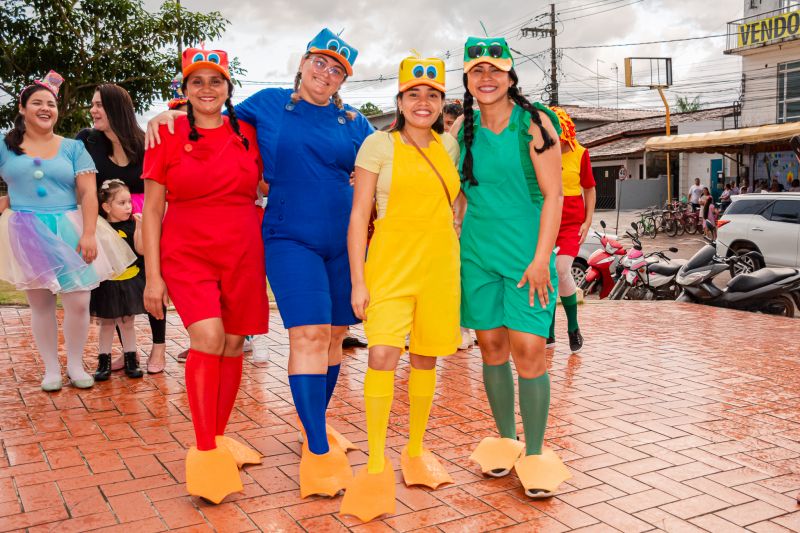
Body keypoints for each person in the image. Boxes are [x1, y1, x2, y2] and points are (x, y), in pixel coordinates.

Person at [142, 47, 269, 504]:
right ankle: (205, 449)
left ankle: (217, 438)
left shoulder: (248, 132)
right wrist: (152, 278)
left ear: (229, 88)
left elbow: (267, 183)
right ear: (184, 89)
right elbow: (151, 210)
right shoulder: (167, 132)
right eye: (197, 81)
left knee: (233, 343)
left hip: (243, 250)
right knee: (208, 338)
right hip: (187, 251)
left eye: (216, 81)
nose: (207, 89)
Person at [340, 55, 459, 522]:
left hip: (440, 265)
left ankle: (415, 449)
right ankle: (375, 460)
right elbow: (359, 215)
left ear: (442, 102)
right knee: (382, 355)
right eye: (414, 94)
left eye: (432, 95)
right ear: (400, 100)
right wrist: (358, 279)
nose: (422, 102)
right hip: (390, 263)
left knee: (427, 357)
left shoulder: (450, 146)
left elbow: (457, 202)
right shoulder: (377, 144)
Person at [452, 37, 570, 498]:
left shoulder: (535, 122)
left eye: (495, 70)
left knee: (529, 348)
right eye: (477, 70)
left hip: (526, 252)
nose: (486, 78)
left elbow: (555, 194)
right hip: (477, 253)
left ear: (510, 75)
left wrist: (542, 259)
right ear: (467, 79)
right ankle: (505, 441)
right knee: (491, 346)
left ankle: (535, 453)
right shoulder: (462, 127)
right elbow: (455, 191)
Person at [0, 71, 135, 391]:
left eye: (51, 104)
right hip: (26, 230)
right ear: (22, 108)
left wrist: (88, 234)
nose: (45, 108)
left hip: (70, 228)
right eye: (37, 103)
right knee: (41, 303)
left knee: (78, 302)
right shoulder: (6, 146)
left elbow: (88, 193)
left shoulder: (73, 148)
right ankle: (51, 369)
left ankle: (75, 364)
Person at [76, 83, 166, 374]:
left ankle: (159, 347)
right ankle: (130, 351)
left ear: (116, 108)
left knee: (151, 279)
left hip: (143, 220)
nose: (92, 110)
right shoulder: (88, 141)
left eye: (99, 105)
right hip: (107, 225)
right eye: (92, 104)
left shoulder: (145, 141)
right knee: (115, 285)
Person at [547, 107, 595, 354]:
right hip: (546, 219)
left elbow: (589, 188)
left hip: (570, 223)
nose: (558, 144)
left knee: (562, 268)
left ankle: (573, 327)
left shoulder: (581, 154)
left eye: (560, 139)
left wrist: (587, 221)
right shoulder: (542, 152)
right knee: (546, 271)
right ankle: (548, 329)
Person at [91, 179, 145, 380]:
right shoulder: (99, 227)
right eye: (122, 203)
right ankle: (103, 362)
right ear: (106, 207)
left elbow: (140, 250)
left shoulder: (132, 224)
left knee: (127, 323)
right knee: (106, 324)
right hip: (107, 284)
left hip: (129, 282)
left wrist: (140, 227)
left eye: (129, 202)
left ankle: (131, 360)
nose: (129, 207)